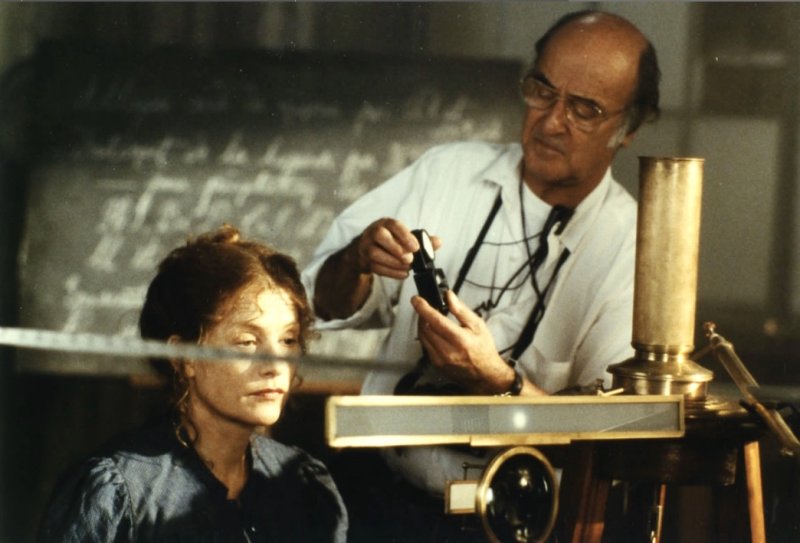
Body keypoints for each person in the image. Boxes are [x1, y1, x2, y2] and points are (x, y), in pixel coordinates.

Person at [302, 8, 660, 541]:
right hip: (375, 499)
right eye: (542, 91)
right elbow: (320, 304)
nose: (551, 121)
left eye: (584, 109)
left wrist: (500, 384)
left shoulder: (632, 246)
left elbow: (614, 436)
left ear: (630, 127)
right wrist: (355, 259)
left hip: (516, 526)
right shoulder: (448, 170)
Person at [39, 225, 348, 542]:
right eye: (247, 341)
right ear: (184, 356)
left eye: (288, 340)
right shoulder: (119, 492)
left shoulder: (303, 484)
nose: (275, 365)